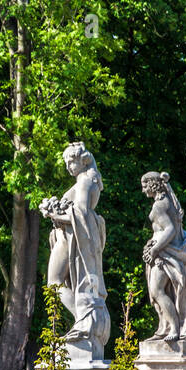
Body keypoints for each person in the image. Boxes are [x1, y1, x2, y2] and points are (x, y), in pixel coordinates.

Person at [40, 142, 110, 354]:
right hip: (70, 236)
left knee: (54, 283)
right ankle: (84, 321)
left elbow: (80, 212)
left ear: (84, 160)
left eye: (72, 161)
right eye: (66, 162)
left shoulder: (85, 182)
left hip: (70, 237)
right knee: (57, 284)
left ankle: (83, 321)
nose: (69, 166)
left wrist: (52, 214)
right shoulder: (89, 180)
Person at [141, 170, 186, 342]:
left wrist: (155, 249)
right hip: (166, 252)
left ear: (152, 184)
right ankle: (167, 327)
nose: (143, 190)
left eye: (144, 186)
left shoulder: (160, 206)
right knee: (162, 291)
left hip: (165, 254)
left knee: (157, 291)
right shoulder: (169, 201)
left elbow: (170, 230)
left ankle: (174, 328)